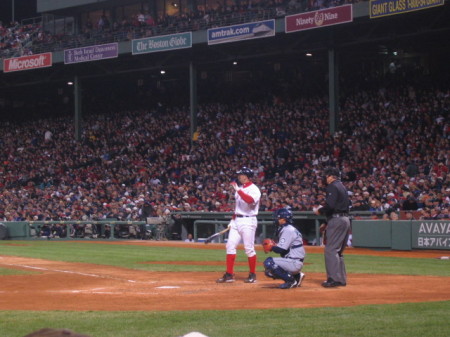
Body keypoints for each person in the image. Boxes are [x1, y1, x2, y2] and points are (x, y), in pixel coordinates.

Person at [216, 167, 261, 283]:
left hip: (248, 221)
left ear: (246, 176)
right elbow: (237, 208)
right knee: (230, 246)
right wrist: (232, 220)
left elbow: (250, 201)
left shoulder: (254, 189)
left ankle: (252, 275)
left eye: (240, 174)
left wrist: (238, 191)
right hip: (237, 220)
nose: (239, 176)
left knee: (249, 249)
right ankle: (229, 274)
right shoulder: (240, 188)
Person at [313, 167, 351, 288]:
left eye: (326, 175)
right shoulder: (342, 186)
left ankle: (333, 279)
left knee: (331, 250)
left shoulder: (333, 186)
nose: (325, 178)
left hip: (337, 219)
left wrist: (320, 211)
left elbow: (330, 205)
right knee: (338, 251)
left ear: (331, 176)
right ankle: (341, 279)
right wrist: (326, 221)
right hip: (345, 219)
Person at [263, 208, 306, 289]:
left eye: (277, 218)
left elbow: (281, 250)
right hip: (295, 261)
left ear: (283, 219)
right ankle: (297, 276)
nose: (276, 219)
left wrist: (271, 247)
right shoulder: (289, 228)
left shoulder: (288, 230)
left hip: (294, 262)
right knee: (272, 265)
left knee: (269, 263)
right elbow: (284, 250)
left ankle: (291, 280)